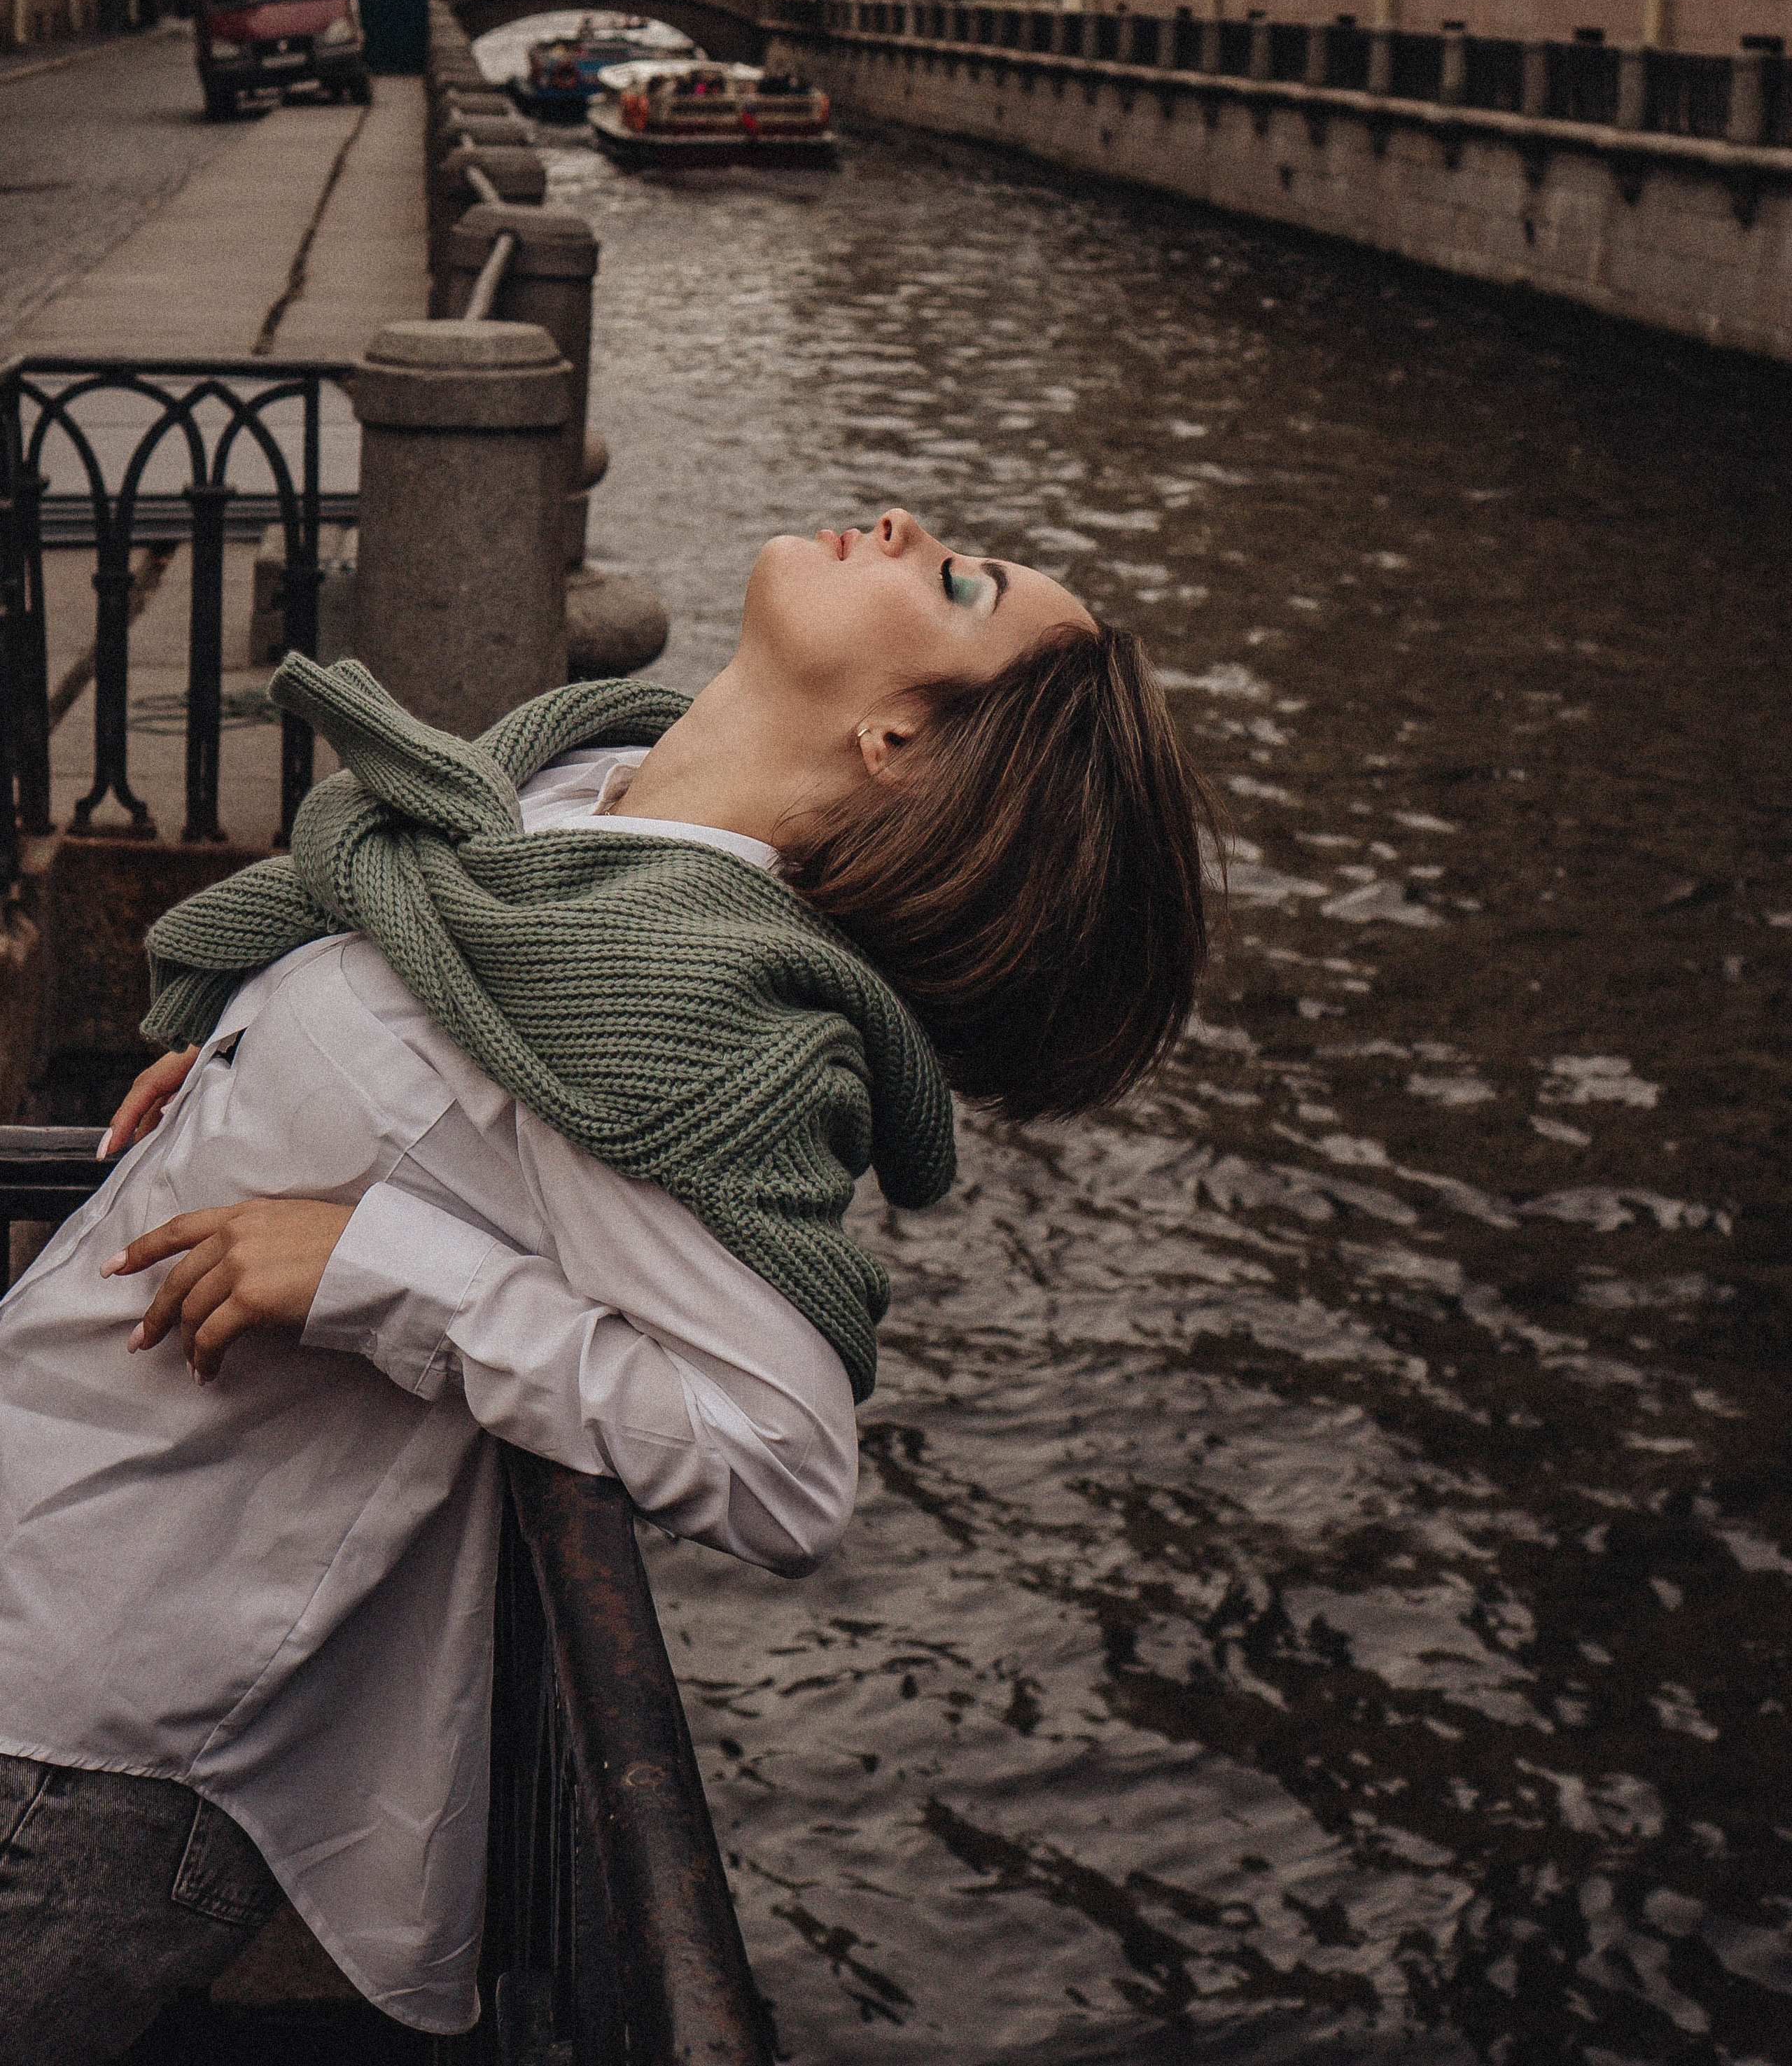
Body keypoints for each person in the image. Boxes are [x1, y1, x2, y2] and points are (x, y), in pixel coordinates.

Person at [0, 508, 1214, 2060]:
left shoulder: (683, 1017)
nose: (912, 530)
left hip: (77, 1727)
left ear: (901, 741)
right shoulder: (571, 802)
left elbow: (781, 1466)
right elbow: (441, 1050)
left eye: (960, 585)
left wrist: (384, 1271)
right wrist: (256, 1061)